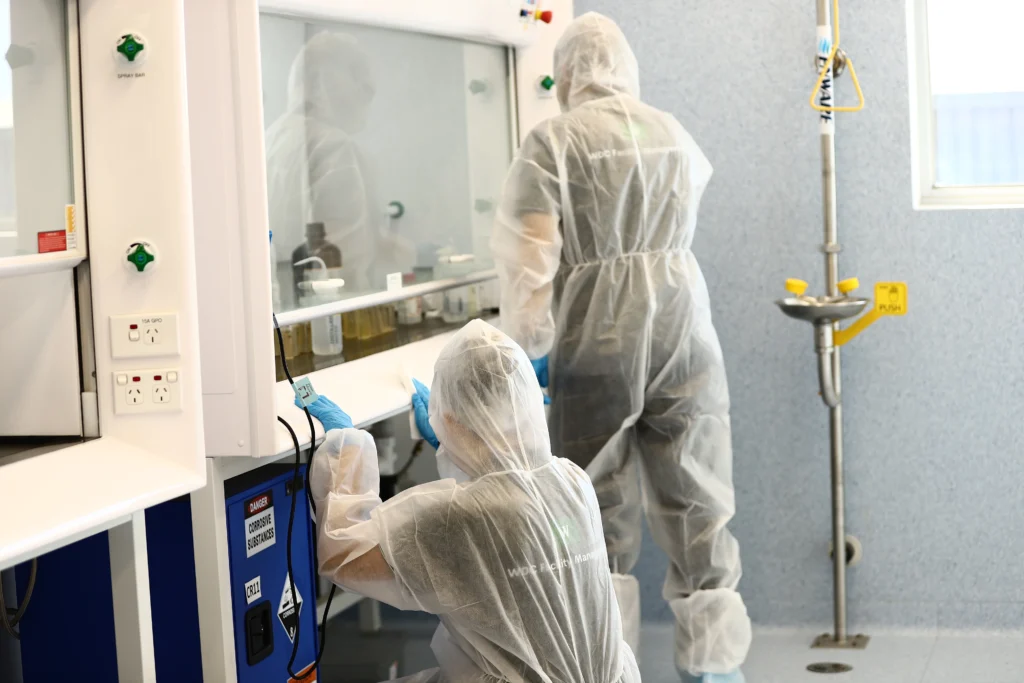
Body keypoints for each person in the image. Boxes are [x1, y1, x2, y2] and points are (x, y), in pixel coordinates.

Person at [490, 13, 751, 683]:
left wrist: (528, 350)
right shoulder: (671, 132)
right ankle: (716, 667)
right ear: (625, 65)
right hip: (683, 329)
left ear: (568, 73)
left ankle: (602, 667)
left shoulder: (553, 142)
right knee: (699, 497)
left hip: (598, 337)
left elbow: (530, 266)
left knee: (590, 511)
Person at [300, 319, 640, 683]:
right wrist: (463, 451)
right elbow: (518, 510)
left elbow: (344, 556)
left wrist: (347, 448)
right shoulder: (573, 482)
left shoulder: (460, 518)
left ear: (450, 418)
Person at [265, 32, 412, 304]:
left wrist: (377, 240)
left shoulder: (269, 140)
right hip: (329, 321)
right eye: (355, 74)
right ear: (318, 80)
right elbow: (342, 269)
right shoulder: (333, 146)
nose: (369, 89)